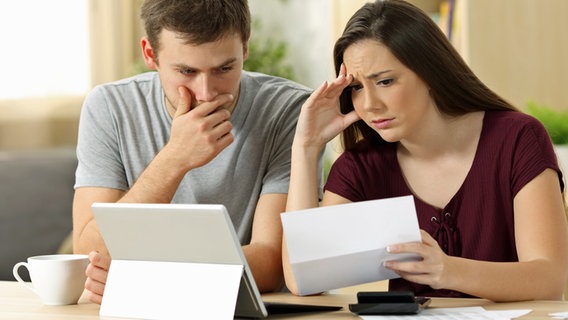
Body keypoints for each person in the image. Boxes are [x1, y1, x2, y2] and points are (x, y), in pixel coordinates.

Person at [283, 0, 568, 301]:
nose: (369, 104)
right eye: (357, 87)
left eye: (385, 81)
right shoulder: (361, 166)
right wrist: (306, 147)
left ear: (430, 72)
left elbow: (548, 278)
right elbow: (303, 280)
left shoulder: (518, 139)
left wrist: (448, 270)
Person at [72, 0, 315, 305]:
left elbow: (271, 262)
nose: (206, 93)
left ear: (245, 47)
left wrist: (151, 278)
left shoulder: (289, 110)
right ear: (150, 54)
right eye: (186, 71)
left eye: (224, 68)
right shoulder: (109, 107)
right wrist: (174, 159)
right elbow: (89, 252)